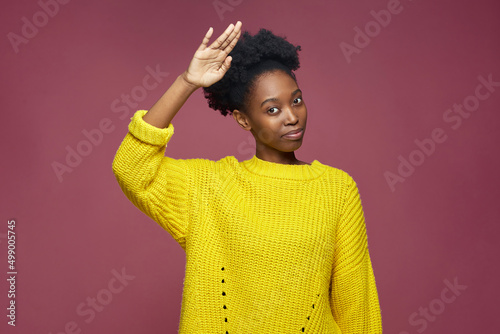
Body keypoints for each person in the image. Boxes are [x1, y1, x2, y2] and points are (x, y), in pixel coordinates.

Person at [112, 21, 383, 333]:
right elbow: (131, 168)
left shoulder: (337, 189)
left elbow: (357, 306)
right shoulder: (209, 186)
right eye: (272, 110)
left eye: (296, 100)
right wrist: (186, 82)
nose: (292, 116)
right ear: (243, 119)